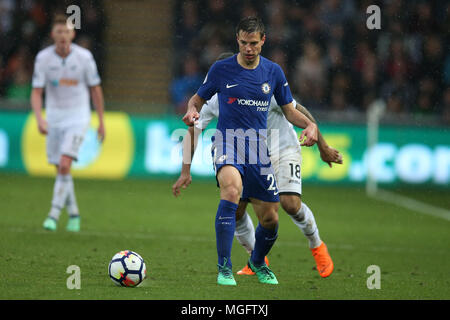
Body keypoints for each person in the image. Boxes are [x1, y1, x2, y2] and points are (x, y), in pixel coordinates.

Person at [173, 52, 342, 279]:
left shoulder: (263, 83)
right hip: (246, 151)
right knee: (235, 205)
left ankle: (317, 245)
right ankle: (257, 258)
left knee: (290, 204)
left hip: (282, 148)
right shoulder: (213, 97)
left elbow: (300, 112)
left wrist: (323, 147)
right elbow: (193, 130)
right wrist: (185, 170)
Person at [30, 14, 105, 232]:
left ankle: (52, 215)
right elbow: (36, 92)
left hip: (78, 117)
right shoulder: (43, 59)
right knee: (62, 171)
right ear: (53, 34)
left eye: (67, 31)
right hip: (53, 119)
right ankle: (74, 214)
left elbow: (95, 90)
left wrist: (101, 121)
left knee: (64, 164)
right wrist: (39, 118)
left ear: (73, 34)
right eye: (59, 31)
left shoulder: (85, 58)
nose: (63, 35)